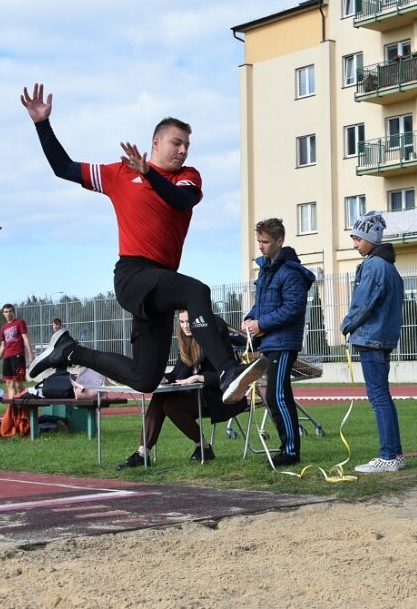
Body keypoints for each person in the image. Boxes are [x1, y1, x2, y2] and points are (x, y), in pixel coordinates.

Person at [20, 82, 267, 404]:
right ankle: (227, 370)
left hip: (159, 283)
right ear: (156, 142)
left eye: (187, 146)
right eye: (176, 143)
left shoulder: (187, 177)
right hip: (133, 275)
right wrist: (42, 124)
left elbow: (179, 201)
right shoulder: (118, 173)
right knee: (197, 291)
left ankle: (68, 351)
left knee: (145, 377)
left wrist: (149, 173)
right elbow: (63, 168)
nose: (183, 151)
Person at [117, 311, 249, 470]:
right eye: (182, 322)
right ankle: (142, 453)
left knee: (171, 406)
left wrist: (199, 377)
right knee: (160, 396)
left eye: (189, 322)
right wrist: (161, 378)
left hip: (220, 398)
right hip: (199, 396)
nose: (186, 326)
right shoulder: (187, 342)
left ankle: (204, 447)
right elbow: (177, 375)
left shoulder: (215, 341)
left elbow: (231, 374)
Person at [242, 218, 315, 467]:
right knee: (275, 395)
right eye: (259, 241)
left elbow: (293, 308)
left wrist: (261, 324)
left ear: (279, 242)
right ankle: (287, 448)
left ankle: (291, 451)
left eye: (265, 242)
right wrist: (251, 317)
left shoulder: (290, 272)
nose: (260, 246)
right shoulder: (266, 270)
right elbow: (262, 305)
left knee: (277, 394)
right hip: (270, 342)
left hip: (284, 342)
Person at [341, 211, 407, 474]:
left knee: (378, 398)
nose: (355, 244)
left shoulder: (373, 266)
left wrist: (347, 324)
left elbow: (364, 301)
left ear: (370, 237)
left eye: (357, 238)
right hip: (382, 337)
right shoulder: (389, 266)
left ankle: (389, 456)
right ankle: (395, 454)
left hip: (372, 339)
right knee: (383, 397)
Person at [0, 304, 34, 399]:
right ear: (3, 313)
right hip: (7, 357)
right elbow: (2, 346)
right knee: (9, 383)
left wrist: (30, 354)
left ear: (13, 312)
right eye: (6, 312)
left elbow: (26, 339)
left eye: (10, 311)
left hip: (18, 355)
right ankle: (13, 409)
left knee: (17, 383)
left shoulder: (20, 322)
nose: (8, 313)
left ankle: (29, 398)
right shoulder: (3, 328)